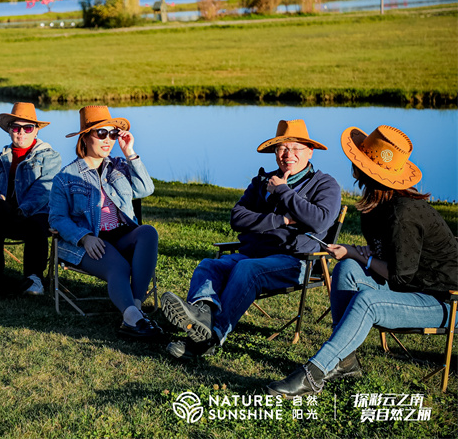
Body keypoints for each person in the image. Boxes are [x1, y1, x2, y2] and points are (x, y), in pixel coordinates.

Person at [267, 125, 458, 397]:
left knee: (367, 299)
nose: (352, 163)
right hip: (412, 289)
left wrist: (358, 254)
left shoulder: (404, 213)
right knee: (346, 268)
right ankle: (345, 362)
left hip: (444, 301)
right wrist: (357, 255)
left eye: (358, 159)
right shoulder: (377, 206)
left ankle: (314, 373)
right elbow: (387, 256)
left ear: (368, 171)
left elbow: (399, 276)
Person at [161, 119, 341, 358]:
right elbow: (237, 217)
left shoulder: (325, 184)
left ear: (309, 151)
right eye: (282, 148)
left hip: (296, 260)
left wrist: (283, 192)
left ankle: (210, 338)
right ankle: (200, 318)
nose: (288, 154)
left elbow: (319, 220)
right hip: (253, 254)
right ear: (275, 153)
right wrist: (282, 220)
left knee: (247, 269)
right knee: (209, 265)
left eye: (295, 148)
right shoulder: (261, 182)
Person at [49, 105, 161, 339]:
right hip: (91, 240)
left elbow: (145, 189)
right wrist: (83, 237)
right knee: (118, 266)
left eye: (112, 134)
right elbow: (57, 218)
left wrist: (130, 152)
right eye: (101, 133)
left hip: (122, 235)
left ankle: (135, 311)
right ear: (85, 137)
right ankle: (131, 319)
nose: (108, 139)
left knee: (148, 232)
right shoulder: (66, 177)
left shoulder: (119, 166)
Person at [0, 103, 61, 295]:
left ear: (35, 131)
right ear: (9, 130)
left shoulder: (50, 157)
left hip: (34, 214)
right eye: (16, 128)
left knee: (37, 221)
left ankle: (34, 279)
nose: (21, 133)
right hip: (6, 216)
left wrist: (21, 210)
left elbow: (45, 190)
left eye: (28, 128)